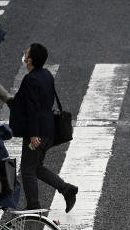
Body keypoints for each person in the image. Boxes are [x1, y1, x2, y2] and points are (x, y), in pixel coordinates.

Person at [9, 43, 78, 212]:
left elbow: (33, 109)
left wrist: (33, 134)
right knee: (35, 167)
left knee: (27, 169)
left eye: (27, 53)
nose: (24, 54)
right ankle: (66, 189)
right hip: (48, 130)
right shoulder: (46, 75)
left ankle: (33, 206)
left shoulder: (31, 79)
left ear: (30, 60)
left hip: (37, 133)